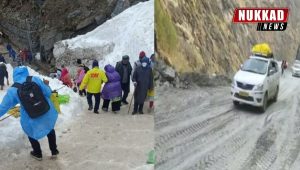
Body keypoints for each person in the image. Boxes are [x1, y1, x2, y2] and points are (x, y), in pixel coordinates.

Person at [0, 66, 59, 160]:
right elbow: (48, 93)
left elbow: (3, 107)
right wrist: (47, 85)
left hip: (31, 116)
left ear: (14, 75)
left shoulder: (13, 89)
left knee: (30, 132)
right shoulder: (35, 79)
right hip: (46, 110)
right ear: (26, 72)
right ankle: (54, 151)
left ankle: (37, 153)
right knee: (50, 128)